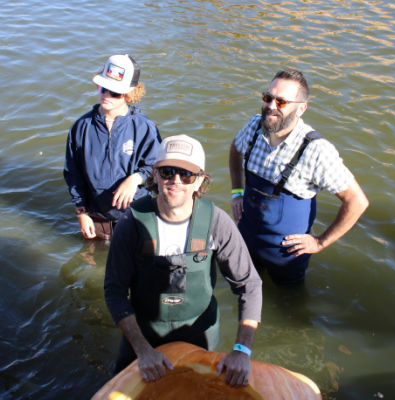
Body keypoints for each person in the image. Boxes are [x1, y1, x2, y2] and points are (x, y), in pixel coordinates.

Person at [104, 134, 262, 387]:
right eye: (167, 172)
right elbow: (114, 291)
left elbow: (249, 286)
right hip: (144, 333)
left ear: (200, 181)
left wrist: (242, 350)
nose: (175, 181)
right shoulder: (130, 224)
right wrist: (142, 350)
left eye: (186, 175)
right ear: (154, 175)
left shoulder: (217, 222)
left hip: (200, 332)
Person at [230, 70, 369, 284]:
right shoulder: (254, 126)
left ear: (301, 108)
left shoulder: (316, 151)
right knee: (242, 291)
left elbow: (357, 201)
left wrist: (320, 242)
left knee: (290, 303)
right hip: (246, 239)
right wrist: (237, 193)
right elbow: (235, 150)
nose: (271, 106)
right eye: (268, 97)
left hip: (287, 258)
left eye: (282, 102)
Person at [64, 54, 161, 240]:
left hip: (137, 216)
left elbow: (156, 166)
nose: (106, 95)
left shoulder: (144, 127)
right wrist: (81, 213)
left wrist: (134, 179)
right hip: (96, 219)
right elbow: (73, 173)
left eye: (115, 92)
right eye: (103, 88)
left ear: (129, 95)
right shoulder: (80, 127)